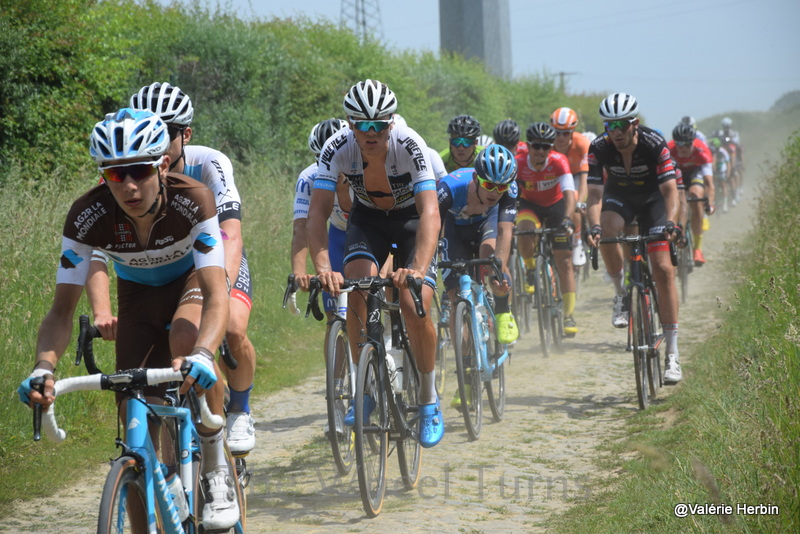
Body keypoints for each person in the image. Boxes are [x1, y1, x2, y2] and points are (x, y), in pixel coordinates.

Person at [17, 108, 239, 529]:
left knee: (188, 339)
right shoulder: (87, 215)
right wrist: (43, 366)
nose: (130, 186)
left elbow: (216, 293)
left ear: (163, 164)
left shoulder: (194, 199)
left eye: (139, 171)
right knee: (134, 422)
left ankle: (214, 464)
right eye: (116, 175)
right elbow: (61, 312)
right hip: (137, 298)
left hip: (189, 283)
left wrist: (206, 353)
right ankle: (147, 486)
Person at [85, 82, 259, 456]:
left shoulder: (209, 162)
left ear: (186, 134)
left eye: (168, 132)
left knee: (224, 327)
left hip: (211, 257)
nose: (157, 141)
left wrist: (221, 289)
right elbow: (96, 252)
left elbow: (230, 232)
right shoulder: (126, 175)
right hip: (149, 283)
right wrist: (101, 310)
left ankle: (236, 413)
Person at [306, 79, 444, 448]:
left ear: (390, 123)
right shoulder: (337, 148)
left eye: (378, 125)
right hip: (367, 222)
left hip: (411, 221)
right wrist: (323, 267)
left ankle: (429, 399)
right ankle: (364, 387)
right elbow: (316, 215)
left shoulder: (409, 144)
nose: (370, 133)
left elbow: (430, 211)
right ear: (350, 124)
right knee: (356, 291)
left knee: (417, 306)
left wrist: (416, 268)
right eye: (361, 125)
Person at [585, 93, 683, 384]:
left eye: (621, 126)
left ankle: (673, 354)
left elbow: (670, 191)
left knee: (664, 269)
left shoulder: (654, 144)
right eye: (609, 126)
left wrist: (671, 223)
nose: (615, 132)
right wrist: (593, 227)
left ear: (634, 124)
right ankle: (620, 294)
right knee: (607, 230)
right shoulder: (598, 148)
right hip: (620, 198)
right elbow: (593, 195)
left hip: (653, 200)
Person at [515, 122, 579, 337]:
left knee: (565, 260)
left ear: (551, 148)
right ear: (529, 146)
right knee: (524, 230)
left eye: (546, 146)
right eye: (536, 146)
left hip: (556, 208)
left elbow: (570, 193)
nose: (541, 151)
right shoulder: (519, 164)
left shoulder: (560, 162)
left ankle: (568, 314)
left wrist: (568, 220)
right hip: (530, 207)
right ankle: (532, 268)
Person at [668, 122, 715, 266]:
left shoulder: (702, 151)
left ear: (692, 142)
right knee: (672, 198)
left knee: (695, 196)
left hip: (695, 174)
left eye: (686, 144)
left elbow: (709, 184)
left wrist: (710, 203)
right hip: (677, 174)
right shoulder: (669, 150)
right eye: (679, 144)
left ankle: (697, 249)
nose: (682, 148)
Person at [551, 107, 591, 267]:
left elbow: (584, 179)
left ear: (572, 131)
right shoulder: (546, 143)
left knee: (574, 199)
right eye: (557, 132)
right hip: (555, 176)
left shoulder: (582, 144)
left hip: (575, 176)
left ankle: (577, 241)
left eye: (565, 133)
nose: (560, 137)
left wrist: (580, 203)